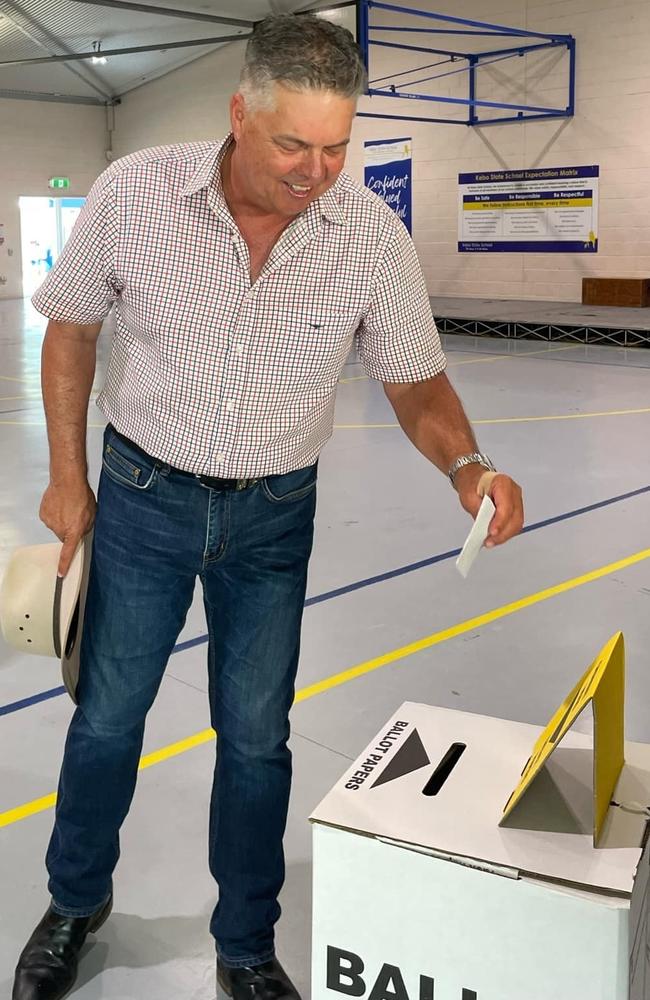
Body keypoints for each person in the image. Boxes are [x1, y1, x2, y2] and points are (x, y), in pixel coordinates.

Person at [12, 13, 523, 1000]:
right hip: (143, 500)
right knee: (108, 718)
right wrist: (68, 477)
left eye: (336, 146)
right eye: (293, 142)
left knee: (256, 736)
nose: (315, 169)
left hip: (272, 519)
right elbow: (71, 330)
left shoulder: (369, 235)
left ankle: (244, 943)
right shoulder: (135, 194)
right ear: (240, 113)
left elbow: (415, 382)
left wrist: (465, 463)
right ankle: (76, 901)